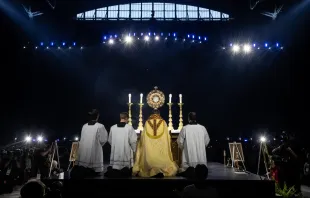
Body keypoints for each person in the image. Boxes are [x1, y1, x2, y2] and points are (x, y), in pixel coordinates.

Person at [132, 109, 178, 177]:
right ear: (159, 114)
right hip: (161, 145)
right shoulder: (163, 122)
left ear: (151, 114)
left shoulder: (147, 122)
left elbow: (143, 136)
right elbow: (167, 136)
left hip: (149, 147)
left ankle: (150, 167)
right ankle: (162, 168)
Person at [75, 109, 108, 176]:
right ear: (97, 116)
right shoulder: (100, 126)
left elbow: (82, 138)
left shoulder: (84, 126)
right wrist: (98, 145)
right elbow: (103, 139)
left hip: (84, 150)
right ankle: (94, 170)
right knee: (94, 169)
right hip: (95, 150)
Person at [177, 112, 210, 178]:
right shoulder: (202, 128)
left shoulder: (185, 128)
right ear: (196, 118)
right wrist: (202, 148)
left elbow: (179, 142)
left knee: (186, 169)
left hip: (189, 160)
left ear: (188, 118)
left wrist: (184, 149)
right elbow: (207, 141)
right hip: (201, 159)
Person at [105, 112, 137, 178]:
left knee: (115, 170)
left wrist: (115, 145)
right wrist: (134, 150)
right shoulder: (129, 128)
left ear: (120, 118)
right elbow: (133, 141)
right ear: (126, 118)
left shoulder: (113, 127)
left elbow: (110, 140)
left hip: (115, 152)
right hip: (125, 153)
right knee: (125, 171)